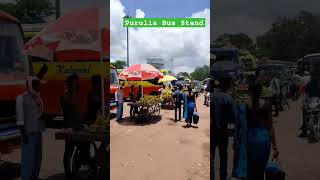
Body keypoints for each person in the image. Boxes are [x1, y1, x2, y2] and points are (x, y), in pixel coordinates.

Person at [246, 81, 279, 180]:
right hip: (263, 139)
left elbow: (242, 125)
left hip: (249, 139)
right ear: (261, 91)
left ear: (249, 91)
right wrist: (275, 147)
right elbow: (270, 127)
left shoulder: (245, 105)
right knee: (261, 169)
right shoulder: (267, 105)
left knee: (249, 169)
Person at [17, 76, 45, 180]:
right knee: (28, 159)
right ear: (29, 85)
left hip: (38, 132)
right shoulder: (21, 98)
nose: (38, 86)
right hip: (28, 134)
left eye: (38, 84)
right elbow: (20, 119)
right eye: (35, 84)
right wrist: (24, 135)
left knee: (37, 159)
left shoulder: (38, 98)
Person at [211, 76, 237, 180]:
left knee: (211, 157)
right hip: (223, 132)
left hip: (212, 131)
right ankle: (223, 177)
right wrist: (232, 132)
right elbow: (233, 117)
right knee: (223, 156)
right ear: (226, 85)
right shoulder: (228, 98)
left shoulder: (212, 96)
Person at [61, 74, 83, 180]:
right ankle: (68, 174)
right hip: (69, 127)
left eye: (76, 82)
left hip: (77, 126)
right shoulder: (66, 95)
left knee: (81, 148)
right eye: (73, 83)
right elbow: (72, 103)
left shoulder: (75, 94)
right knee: (68, 151)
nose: (75, 85)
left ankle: (74, 170)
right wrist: (74, 90)